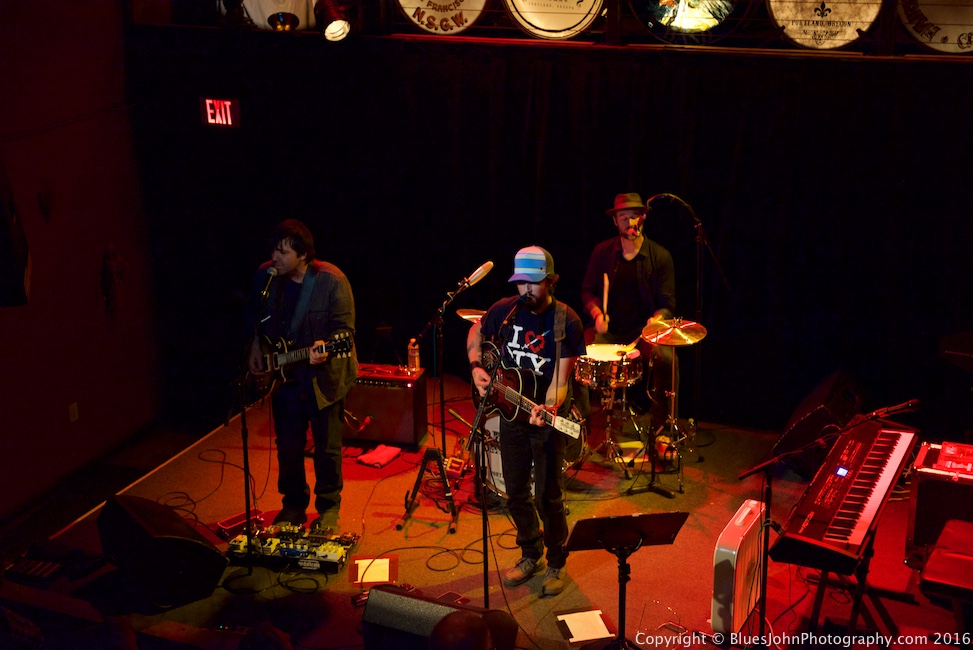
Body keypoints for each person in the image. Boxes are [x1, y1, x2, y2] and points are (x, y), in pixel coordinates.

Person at [466, 246, 586, 596]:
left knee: (547, 495)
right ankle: (529, 552)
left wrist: (547, 408)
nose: (526, 291)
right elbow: (475, 333)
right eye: (521, 284)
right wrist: (476, 367)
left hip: (546, 419)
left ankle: (557, 562)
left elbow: (561, 382)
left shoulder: (567, 321)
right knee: (515, 491)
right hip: (508, 413)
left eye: (533, 284)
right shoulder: (504, 312)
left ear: (550, 282)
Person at [244, 219, 358, 531]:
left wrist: (325, 347)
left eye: (282, 252)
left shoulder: (332, 281)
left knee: (327, 447)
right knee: (288, 446)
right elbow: (253, 316)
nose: (275, 258)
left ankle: (329, 508)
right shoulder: (265, 276)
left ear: (303, 255)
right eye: (273, 251)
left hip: (325, 378)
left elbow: (344, 332)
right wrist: (255, 345)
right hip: (286, 379)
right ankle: (293, 505)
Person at [581, 192, 678, 430]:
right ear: (615, 221)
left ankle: (662, 431)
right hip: (610, 332)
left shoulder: (661, 256)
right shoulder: (602, 252)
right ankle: (581, 425)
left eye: (635, 217)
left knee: (667, 359)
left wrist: (657, 319)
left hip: (643, 335)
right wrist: (596, 313)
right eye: (624, 217)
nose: (630, 223)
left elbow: (668, 304)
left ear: (643, 218)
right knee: (574, 352)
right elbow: (587, 291)